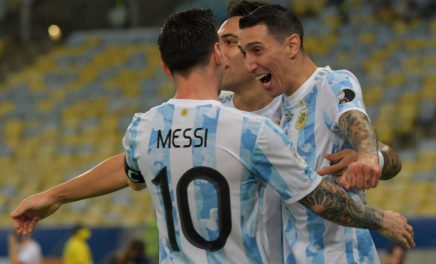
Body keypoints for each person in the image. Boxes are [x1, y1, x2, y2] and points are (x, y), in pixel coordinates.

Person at [11, 7, 414, 264]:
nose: (236, 53)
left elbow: (370, 143)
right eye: (225, 43)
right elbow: (131, 165)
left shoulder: (310, 94)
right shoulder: (224, 117)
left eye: (240, 44)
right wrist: (57, 194)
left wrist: (371, 156)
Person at [238, 4, 405, 263]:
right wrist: (373, 157)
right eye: (243, 53)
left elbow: (354, 118)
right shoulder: (279, 109)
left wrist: (368, 156)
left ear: (292, 45)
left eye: (256, 50)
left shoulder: (331, 83)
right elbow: (392, 160)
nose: (249, 65)